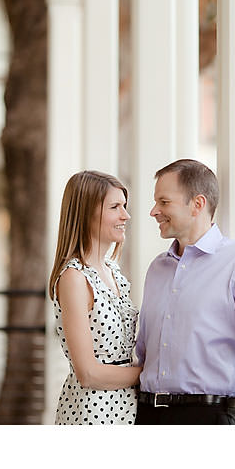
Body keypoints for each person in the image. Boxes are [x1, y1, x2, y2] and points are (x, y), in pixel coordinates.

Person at [134, 158, 235, 425]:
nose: (154, 211)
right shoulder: (157, 268)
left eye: (164, 202)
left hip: (207, 419)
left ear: (197, 204)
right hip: (148, 414)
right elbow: (143, 348)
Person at [48, 170, 141, 424]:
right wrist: (149, 374)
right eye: (115, 207)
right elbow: (88, 373)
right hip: (92, 412)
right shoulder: (74, 278)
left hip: (126, 409)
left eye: (124, 205)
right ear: (86, 213)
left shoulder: (114, 271)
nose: (126, 215)